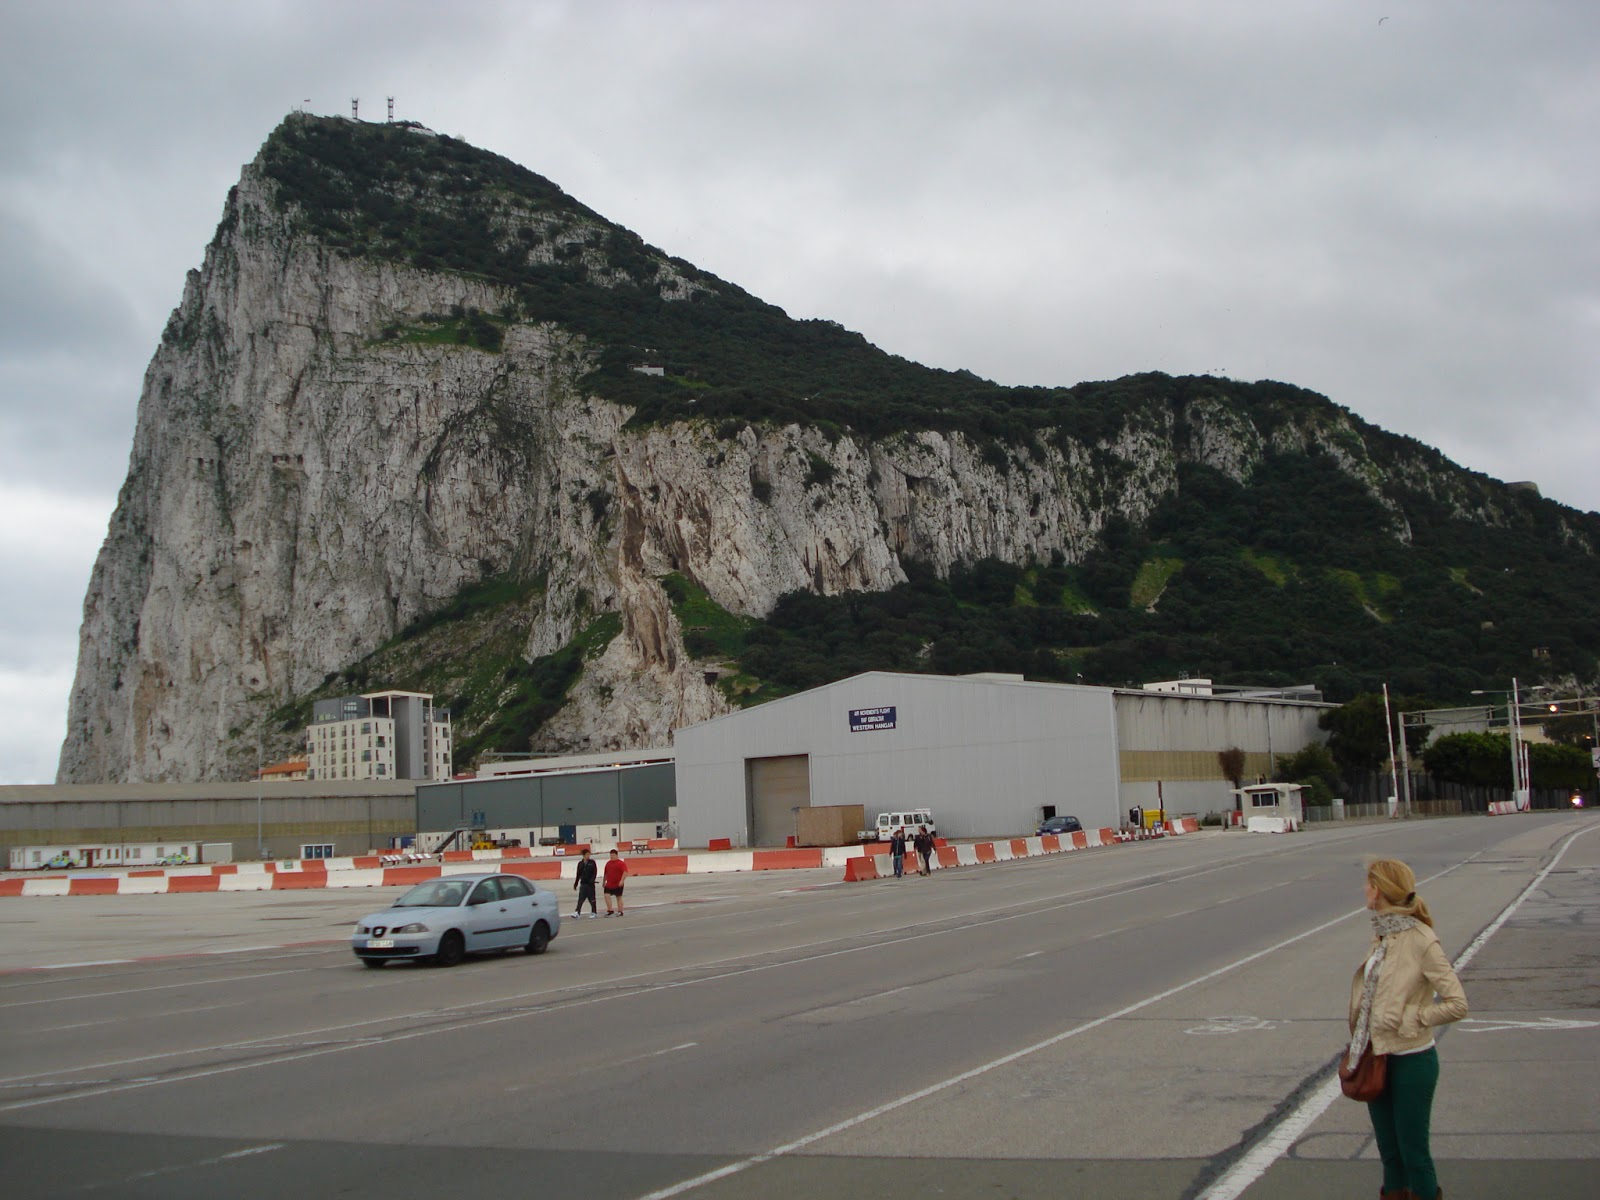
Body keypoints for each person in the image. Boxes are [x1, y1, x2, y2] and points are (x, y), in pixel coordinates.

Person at [1347, 858, 1468, 1200]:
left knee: (1414, 1155)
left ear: (1381, 890)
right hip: (1377, 1056)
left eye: (1369, 884)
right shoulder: (1382, 934)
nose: (1364, 890)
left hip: (1412, 1060)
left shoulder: (1421, 939)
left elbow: (1458, 1002)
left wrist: (1412, 1018)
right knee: (1390, 1156)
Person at [602, 848, 629, 916]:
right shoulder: (608, 863)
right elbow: (606, 873)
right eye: (611, 855)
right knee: (606, 895)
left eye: (613, 855)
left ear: (616, 855)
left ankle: (620, 911)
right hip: (609, 884)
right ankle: (610, 910)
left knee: (619, 897)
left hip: (618, 884)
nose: (612, 857)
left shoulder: (621, 863)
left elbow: (625, 872)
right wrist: (604, 881)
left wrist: (622, 880)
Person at [573, 848, 598, 918]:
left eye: (589, 854)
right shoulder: (580, 864)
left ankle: (594, 912)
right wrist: (576, 883)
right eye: (587, 854)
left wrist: (592, 879)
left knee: (592, 899)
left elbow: (595, 872)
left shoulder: (592, 862)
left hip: (590, 884)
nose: (588, 856)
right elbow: (578, 874)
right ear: (583, 855)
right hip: (583, 884)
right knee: (580, 899)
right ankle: (577, 912)